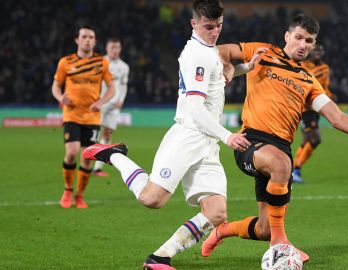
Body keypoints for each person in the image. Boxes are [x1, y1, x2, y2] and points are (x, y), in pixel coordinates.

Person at [201, 13, 348, 263]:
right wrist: (228, 65)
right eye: (299, 38)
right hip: (250, 142)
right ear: (287, 36)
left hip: (281, 149)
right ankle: (281, 243)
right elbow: (220, 50)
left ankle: (223, 231)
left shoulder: (309, 80)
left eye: (309, 41)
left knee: (263, 228)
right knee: (282, 165)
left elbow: (337, 118)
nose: (303, 45)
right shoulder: (263, 52)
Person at [82, 1, 261, 269]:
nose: (215, 32)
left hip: (207, 141)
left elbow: (217, 82)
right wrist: (227, 137)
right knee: (152, 199)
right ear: (194, 24)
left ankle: (159, 258)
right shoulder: (196, 55)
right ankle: (114, 155)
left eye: (219, 26)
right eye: (209, 27)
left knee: (216, 213)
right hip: (189, 136)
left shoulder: (210, 51)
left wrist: (246, 68)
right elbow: (194, 107)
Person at [52, 26, 115, 209]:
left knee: (87, 158)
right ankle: (67, 190)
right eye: (84, 37)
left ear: (94, 41)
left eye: (91, 37)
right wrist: (60, 97)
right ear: (77, 40)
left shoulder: (101, 63)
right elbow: (56, 85)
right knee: (71, 153)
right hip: (72, 115)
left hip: (93, 118)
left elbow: (112, 88)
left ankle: (80, 195)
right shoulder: (66, 62)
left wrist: (101, 102)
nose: (87, 40)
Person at [292, 45, 335, 183]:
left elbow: (325, 86)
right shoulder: (303, 65)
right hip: (304, 108)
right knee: (315, 139)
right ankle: (296, 169)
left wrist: (330, 95)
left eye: (320, 51)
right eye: (315, 50)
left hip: (316, 107)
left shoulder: (325, 68)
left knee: (307, 141)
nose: (317, 53)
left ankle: (293, 169)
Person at [93, 38, 130, 177]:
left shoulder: (124, 67)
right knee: (93, 133)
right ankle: (86, 163)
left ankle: (97, 168)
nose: (115, 50)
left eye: (117, 47)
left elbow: (124, 85)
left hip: (114, 105)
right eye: (112, 47)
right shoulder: (100, 62)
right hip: (100, 103)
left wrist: (121, 100)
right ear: (107, 48)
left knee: (107, 133)